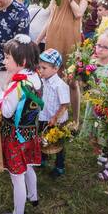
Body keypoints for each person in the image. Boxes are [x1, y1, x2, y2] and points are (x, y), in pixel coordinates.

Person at [0, 34, 43, 214]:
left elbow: (7, 111)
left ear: (23, 61)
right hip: (30, 133)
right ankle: (33, 197)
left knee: (17, 176)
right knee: (28, 167)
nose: (4, 61)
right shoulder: (36, 78)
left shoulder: (18, 84)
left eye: (7, 58)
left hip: (14, 137)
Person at [36, 0, 91, 125]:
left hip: (70, 40)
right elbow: (51, 17)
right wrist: (38, 40)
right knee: (53, 79)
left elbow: (79, 13)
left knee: (71, 81)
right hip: (53, 37)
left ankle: (74, 121)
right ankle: (55, 117)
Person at [80, 28, 108, 181]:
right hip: (93, 106)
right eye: (98, 45)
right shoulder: (91, 63)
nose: (99, 49)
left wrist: (106, 97)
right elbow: (86, 82)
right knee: (94, 132)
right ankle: (100, 153)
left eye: (105, 47)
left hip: (105, 108)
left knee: (104, 133)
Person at [38, 48, 70, 177]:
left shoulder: (59, 85)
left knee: (57, 142)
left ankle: (59, 165)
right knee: (43, 137)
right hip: (43, 115)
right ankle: (43, 158)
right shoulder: (43, 80)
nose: (40, 71)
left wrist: (55, 118)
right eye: (40, 67)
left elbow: (65, 104)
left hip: (57, 119)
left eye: (44, 68)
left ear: (55, 69)